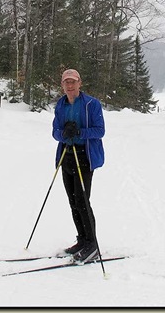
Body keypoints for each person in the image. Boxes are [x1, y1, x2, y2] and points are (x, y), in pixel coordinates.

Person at [52, 69, 105, 263]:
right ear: (62, 85)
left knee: (83, 201)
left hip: (84, 156)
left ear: (80, 83)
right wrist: (63, 134)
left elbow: (100, 131)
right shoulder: (61, 104)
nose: (70, 85)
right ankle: (82, 240)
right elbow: (55, 132)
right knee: (73, 201)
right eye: (66, 82)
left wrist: (80, 132)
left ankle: (92, 244)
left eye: (73, 82)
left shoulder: (92, 104)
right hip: (67, 155)